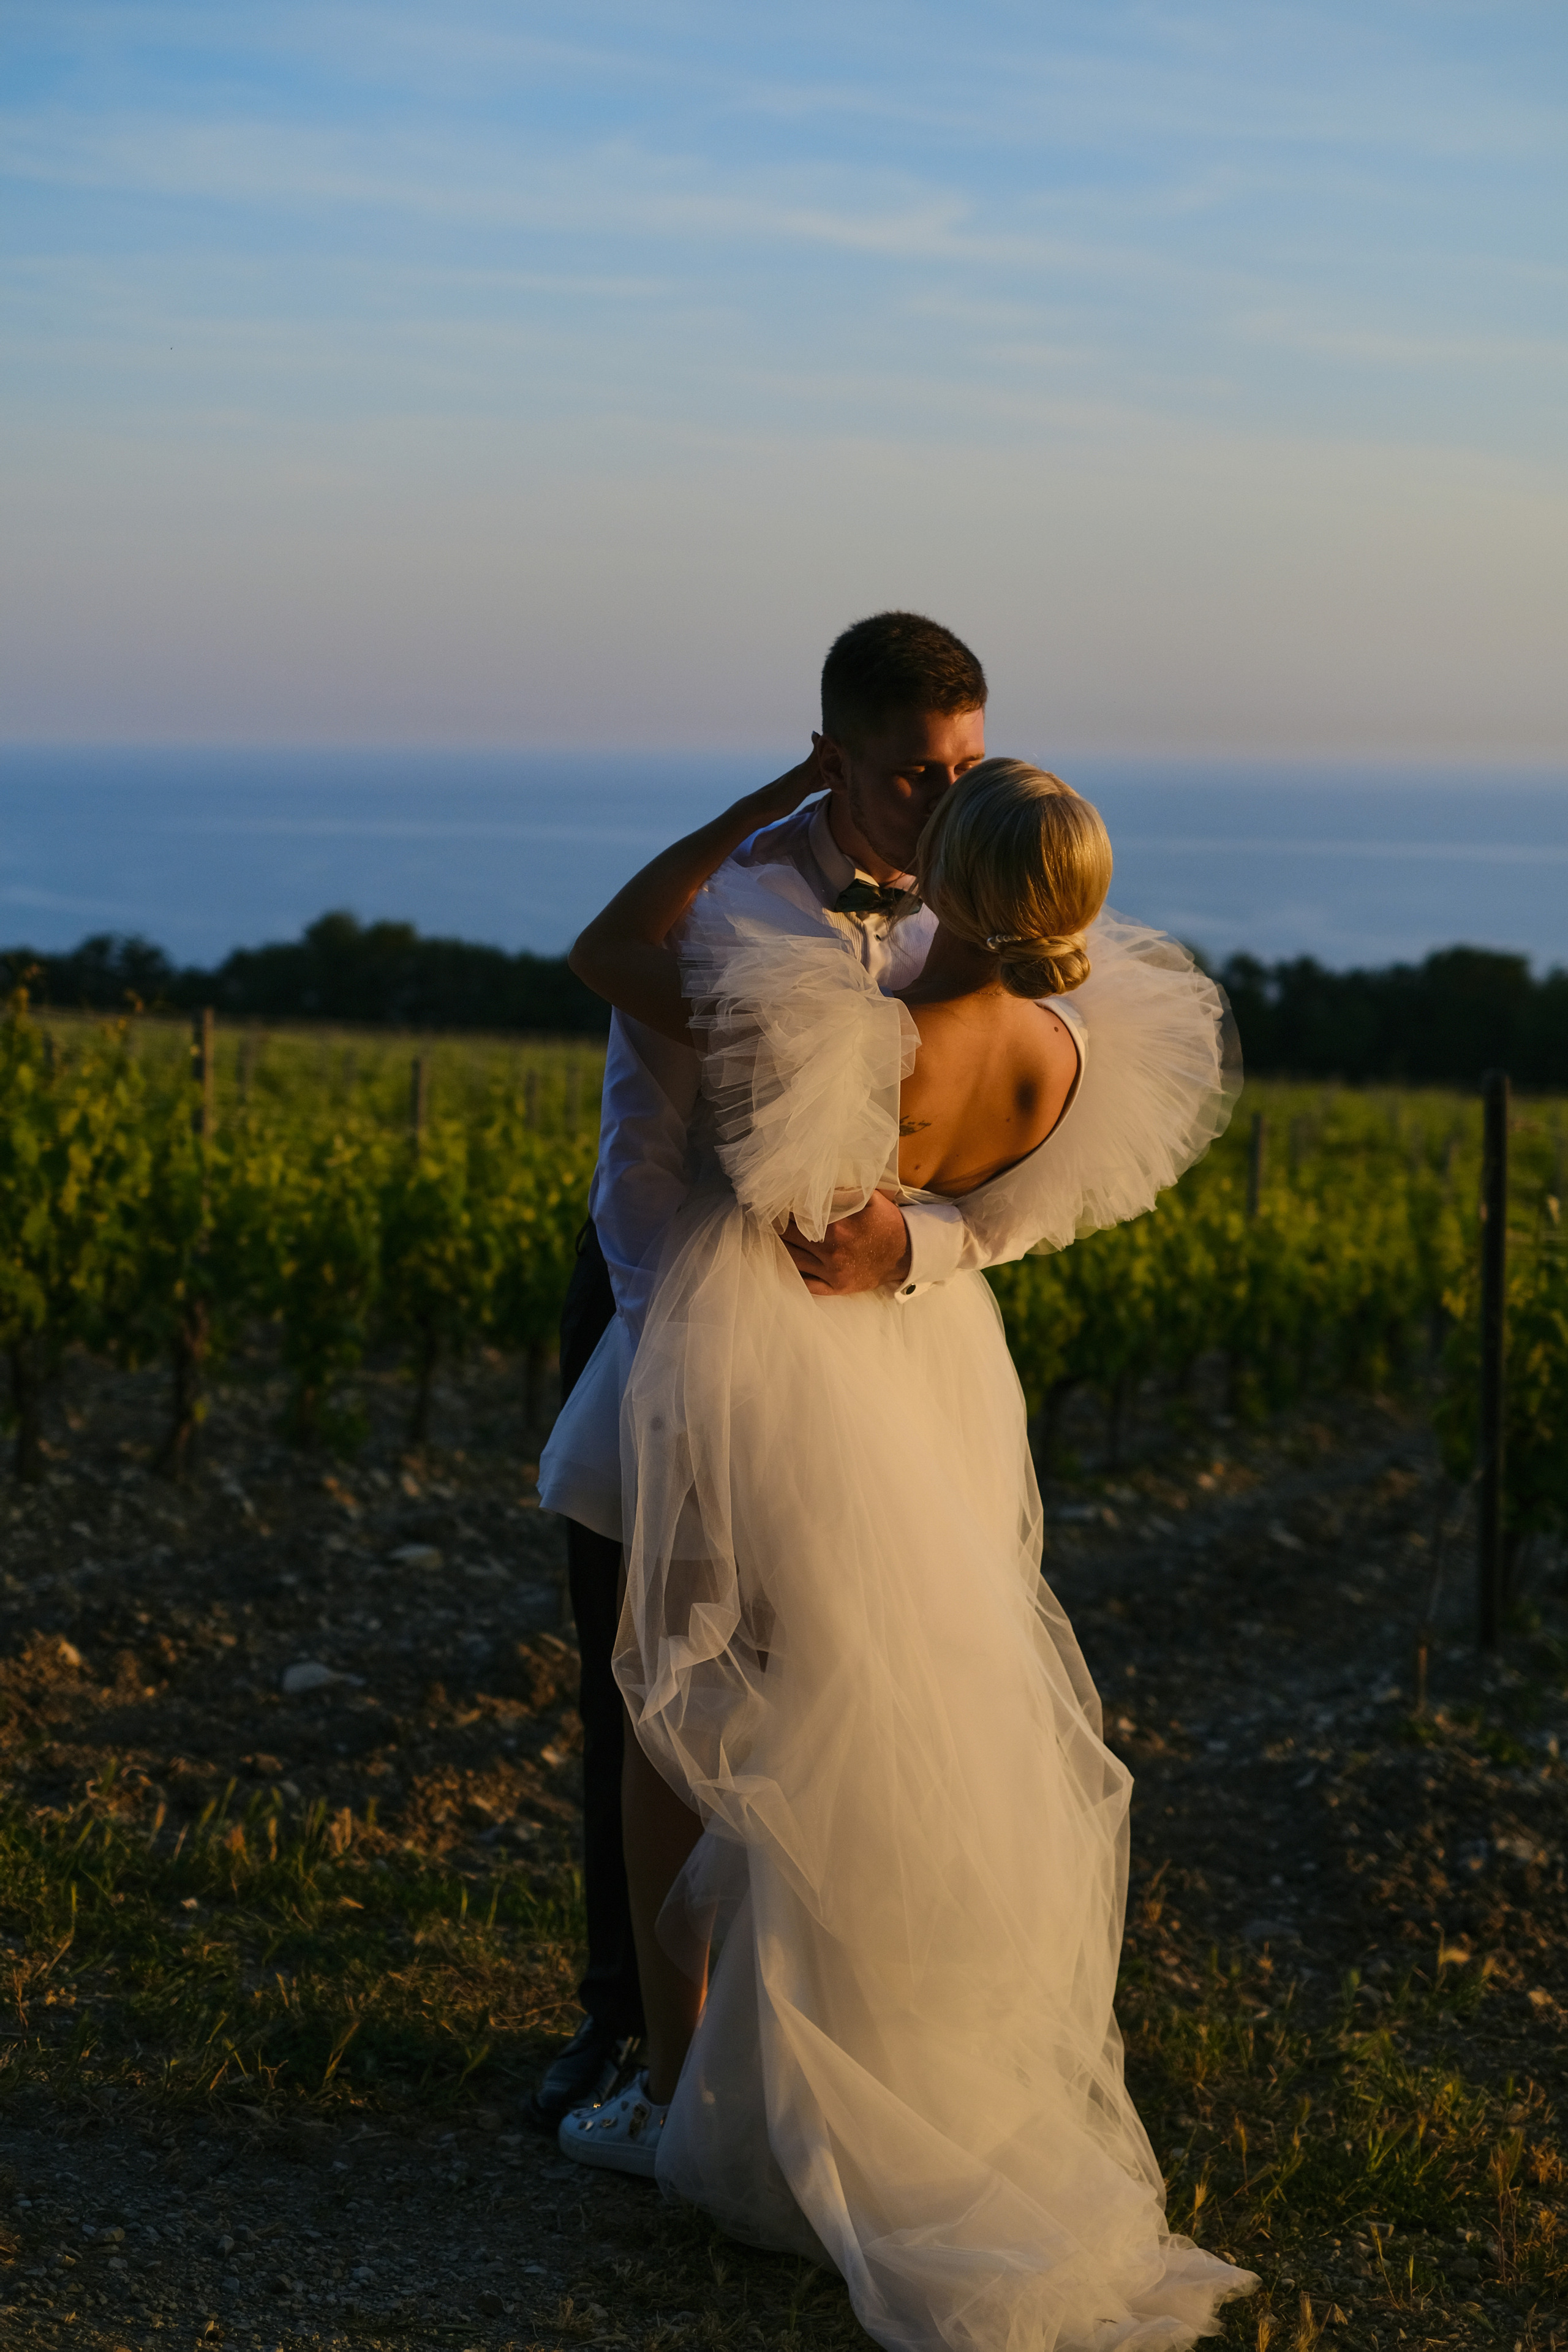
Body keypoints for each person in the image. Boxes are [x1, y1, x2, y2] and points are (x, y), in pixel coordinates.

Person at [540, 753, 1254, 2349]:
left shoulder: (858, 1037)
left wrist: (769, 828)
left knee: (685, 1723)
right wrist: (918, 1236)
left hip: (785, 1386)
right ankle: (881, 2071)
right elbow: (999, 1219)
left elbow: (623, 970)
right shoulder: (1071, 1047)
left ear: (951, 882)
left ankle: (684, 2091)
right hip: (937, 1389)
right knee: (892, 1726)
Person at [530, 611, 998, 2127]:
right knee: (646, 1691)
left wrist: (910, 1251)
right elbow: (642, 1169)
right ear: (831, 761)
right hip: (665, 1316)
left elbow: (1013, 1178)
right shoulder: (729, 908)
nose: (944, 803)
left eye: (967, 769)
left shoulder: (983, 913)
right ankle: (628, 2025)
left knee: (843, 1689)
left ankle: (795, 2033)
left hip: (872, 1347)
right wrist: (684, 1370)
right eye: (915, 774)